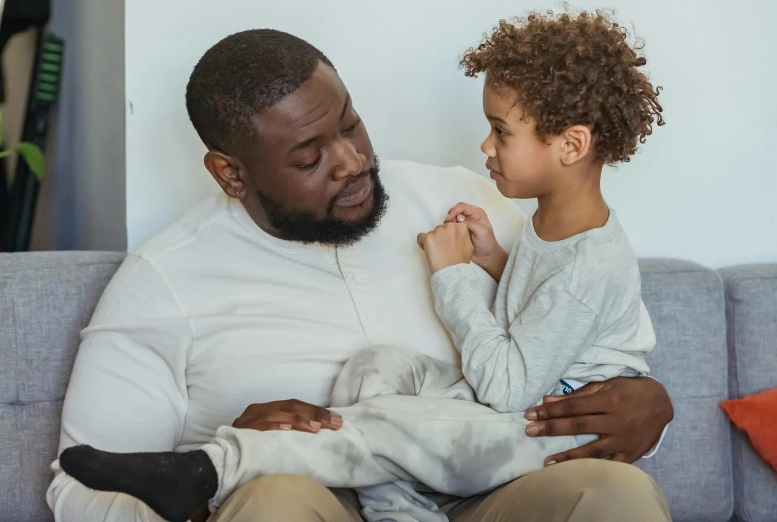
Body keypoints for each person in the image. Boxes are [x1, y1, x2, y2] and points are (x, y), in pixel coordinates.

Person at [48, 25, 673, 522]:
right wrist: (224, 466)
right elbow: (79, 493)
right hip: (317, 507)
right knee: (274, 504)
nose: (351, 161)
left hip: (490, 493)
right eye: (310, 155)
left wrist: (651, 410)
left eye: (350, 124)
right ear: (231, 173)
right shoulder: (163, 279)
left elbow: (596, 339)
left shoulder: (467, 201)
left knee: (615, 496)